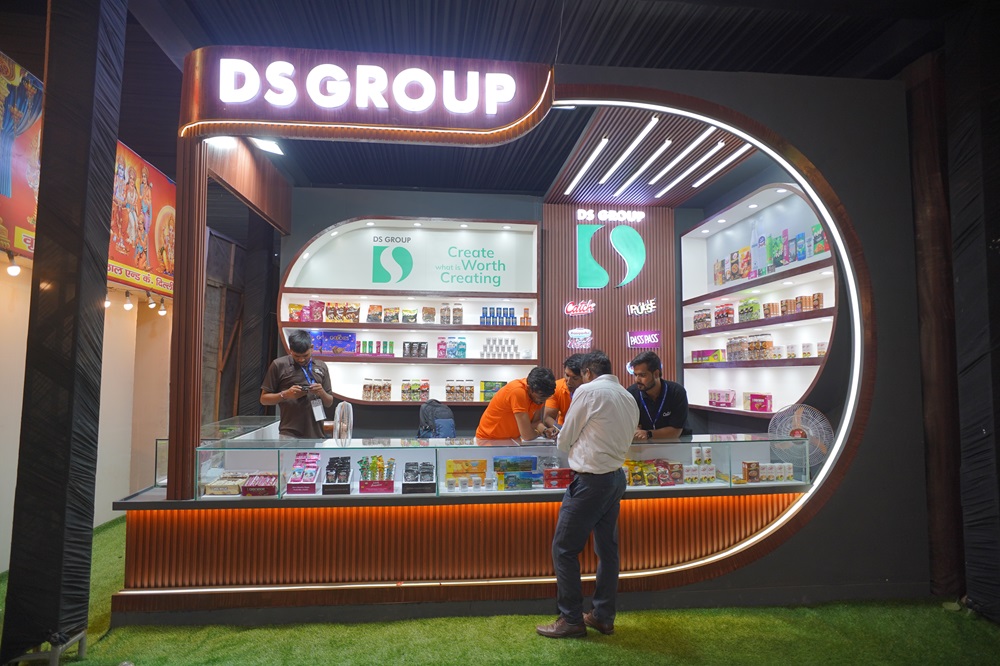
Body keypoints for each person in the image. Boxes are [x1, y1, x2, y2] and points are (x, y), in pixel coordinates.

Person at [536, 350, 639, 639]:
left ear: (588, 373)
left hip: (591, 481)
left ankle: (571, 619)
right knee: (607, 551)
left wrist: (571, 440)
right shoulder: (626, 396)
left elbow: (565, 439)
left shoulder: (588, 392)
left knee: (564, 549)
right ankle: (603, 616)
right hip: (616, 478)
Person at [260, 330, 334, 438]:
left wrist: (321, 392)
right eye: (296, 356)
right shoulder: (279, 365)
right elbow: (263, 399)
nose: (301, 359)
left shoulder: (321, 366)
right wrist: (285, 394)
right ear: (290, 349)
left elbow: (329, 402)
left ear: (312, 348)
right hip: (289, 432)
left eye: (305, 355)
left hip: (317, 433)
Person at [475, 366, 557, 441]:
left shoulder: (539, 394)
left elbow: (535, 422)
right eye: (541, 397)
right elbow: (527, 435)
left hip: (511, 440)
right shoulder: (518, 391)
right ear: (529, 388)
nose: (542, 401)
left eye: (546, 398)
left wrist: (545, 430)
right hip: (489, 439)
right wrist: (539, 433)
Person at [626, 350, 689, 441]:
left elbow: (675, 432)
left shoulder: (677, 392)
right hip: (643, 446)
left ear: (656, 374)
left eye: (642, 375)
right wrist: (635, 429)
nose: (637, 380)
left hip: (676, 444)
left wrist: (648, 434)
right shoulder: (631, 393)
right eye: (635, 375)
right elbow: (632, 426)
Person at [543, 353, 585, 429]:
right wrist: (561, 430)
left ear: (585, 377)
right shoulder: (557, 387)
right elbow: (548, 417)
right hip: (563, 428)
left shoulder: (593, 391)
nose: (569, 381)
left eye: (575, 378)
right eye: (567, 375)